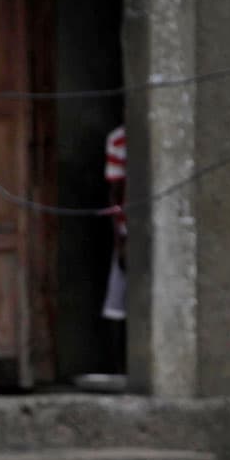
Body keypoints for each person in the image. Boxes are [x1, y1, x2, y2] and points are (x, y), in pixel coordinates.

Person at [102, 123, 128, 325]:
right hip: (127, 230)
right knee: (118, 307)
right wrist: (119, 241)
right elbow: (115, 192)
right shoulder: (118, 139)